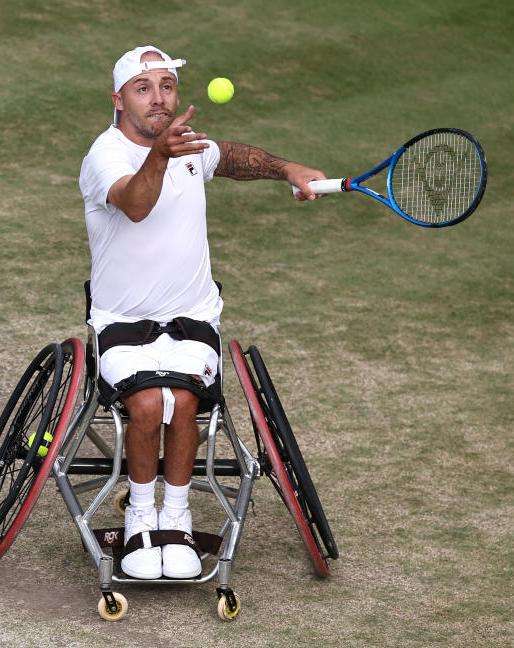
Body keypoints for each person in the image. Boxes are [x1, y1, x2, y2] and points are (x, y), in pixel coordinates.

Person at [78, 45, 327, 580]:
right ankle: (142, 519)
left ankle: (179, 517)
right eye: (144, 89)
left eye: (166, 86)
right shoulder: (105, 156)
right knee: (147, 404)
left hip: (193, 320)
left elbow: (229, 157)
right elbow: (136, 203)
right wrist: (162, 156)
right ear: (119, 101)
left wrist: (288, 169)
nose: (159, 98)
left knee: (184, 401)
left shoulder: (187, 148)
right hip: (122, 325)